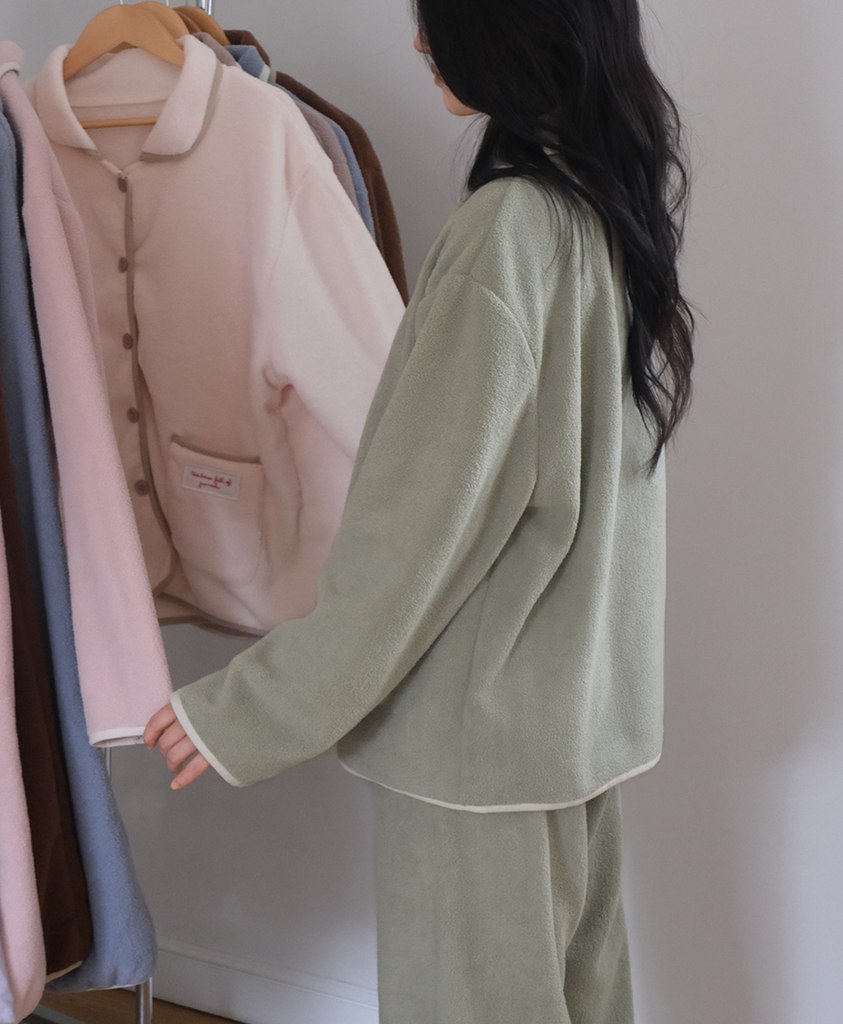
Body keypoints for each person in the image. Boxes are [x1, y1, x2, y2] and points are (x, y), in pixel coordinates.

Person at [145, 0, 694, 1020]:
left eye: (437, 18)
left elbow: (412, 539)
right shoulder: (601, 207)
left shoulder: (506, 236)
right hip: (573, 737)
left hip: (476, 763)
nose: (417, 42)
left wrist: (246, 712)